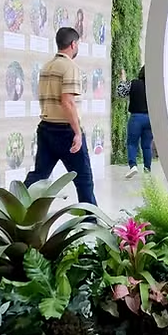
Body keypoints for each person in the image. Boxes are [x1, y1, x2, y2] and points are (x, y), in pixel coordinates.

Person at [24, 27, 97, 205]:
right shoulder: (70, 67)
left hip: (45, 128)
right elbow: (67, 102)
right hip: (65, 131)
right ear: (73, 44)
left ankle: (13, 205)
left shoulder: (46, 66)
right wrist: (77, 133)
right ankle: (91, 221)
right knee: (84, 180)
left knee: (39, 175)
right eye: (77, 43)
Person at [116, 66, 152, 178]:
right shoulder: (154, 87)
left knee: (132, 143)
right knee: (146, 145)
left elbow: (121, 92)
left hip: (136, 117)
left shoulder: (134, 83)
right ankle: (147, 170)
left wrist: (123, 79)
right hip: (150, 119)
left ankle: (133, 166)